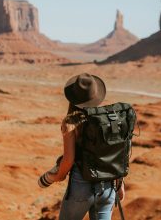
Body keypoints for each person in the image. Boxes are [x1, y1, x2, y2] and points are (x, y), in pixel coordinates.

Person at [38, 73, 125, 220]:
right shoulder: (109, 120)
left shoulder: (71, 122)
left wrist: (57, 176)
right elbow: (116, 155)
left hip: (81, 187)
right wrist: (120, 185)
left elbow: (69, 159)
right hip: (108, 188)